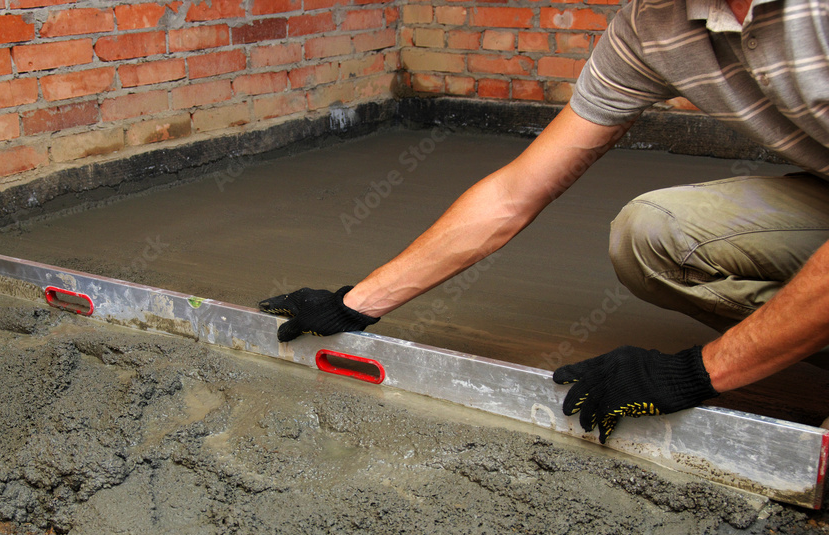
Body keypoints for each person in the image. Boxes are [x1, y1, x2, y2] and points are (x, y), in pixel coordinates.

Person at [260, 0, 829, 442]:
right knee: (653, 235)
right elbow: (515, 192)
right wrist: (356, 303)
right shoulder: (652, 23)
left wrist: (701, 372)